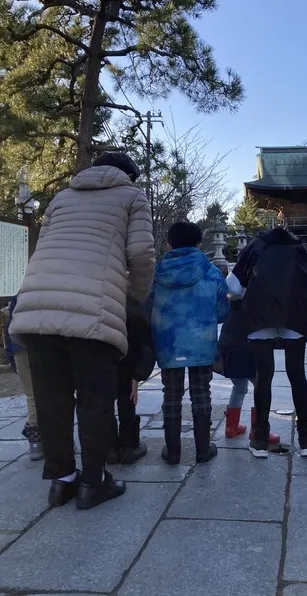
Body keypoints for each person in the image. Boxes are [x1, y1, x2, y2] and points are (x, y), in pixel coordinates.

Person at [9, 152, 155, 509]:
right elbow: (140, 252)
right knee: (95, 399)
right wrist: (134, 296)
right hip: (92, 309)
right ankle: (94, 481)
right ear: (129, 175)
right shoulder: (132, 196)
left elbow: (43, 247)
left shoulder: (61, 198)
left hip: (38, 308)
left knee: (51, 400)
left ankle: (61, 481)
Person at [227, 226, 307, 458]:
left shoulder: (255, 247)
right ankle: (306, 439)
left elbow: (233, 286)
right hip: (295, 314)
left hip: (259, 315)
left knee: (263, 375)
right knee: (297, 375)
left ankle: (259, 439)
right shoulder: (299, 249)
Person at [151, 221, 229, 466]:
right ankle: (203, 449)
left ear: (168, 243)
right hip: (201, 342)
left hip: (168, 343)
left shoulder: (157, 272)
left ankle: (172, 451)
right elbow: (223, 311)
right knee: (201, 393)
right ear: (198, 243)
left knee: (171, 394)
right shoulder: (212, 271)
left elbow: (147, 306)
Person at [216, 297, 280, 445]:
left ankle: (231, 427)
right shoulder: (257, 303)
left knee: (239, 387)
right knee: (261, 387)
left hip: (230, 353)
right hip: (250, 353)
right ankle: (258, 430)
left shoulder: (232, 303)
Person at [107, 295, 156, 465]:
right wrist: (138, 373)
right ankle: (128, 447)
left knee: (103, 403)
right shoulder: (133, 300)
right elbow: (146, 341)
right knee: (127, 401)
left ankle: (110, 448)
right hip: (128, 361)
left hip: (101, 360)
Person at [3, 294, 43, 461]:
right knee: (55, 394)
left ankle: (36, 444)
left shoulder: (19, 295)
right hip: (43, 346)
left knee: (31, 395)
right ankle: (58, 441)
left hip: (19, 346)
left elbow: (8, 327)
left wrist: (10, 355)